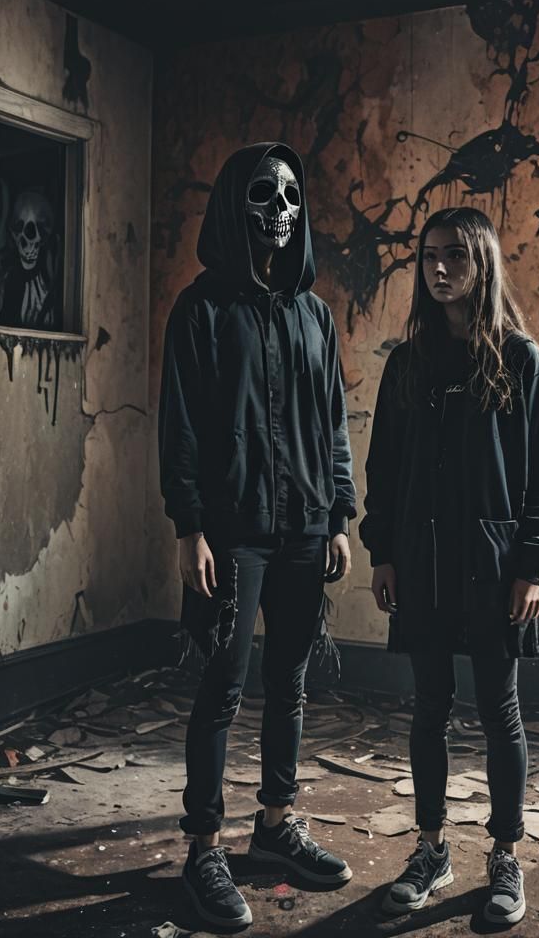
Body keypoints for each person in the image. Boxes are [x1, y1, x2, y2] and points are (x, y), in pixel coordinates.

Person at [159, 142, 357, 928]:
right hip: (234, 532)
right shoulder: (200, 309)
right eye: (262, 195)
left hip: (307, 527)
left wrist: (340, 514)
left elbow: (334, 423)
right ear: (232, 207)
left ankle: (274, 826)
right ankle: (203, 847)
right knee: (223, 688)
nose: (280, 210)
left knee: (292, 682)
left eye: (290, 197)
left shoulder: (315, 315)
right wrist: (189, 528)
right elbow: (180, 428)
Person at [359, 207, 539, 927]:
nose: (438, 268)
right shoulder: (407, 363)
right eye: (428, 256)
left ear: (481, 263)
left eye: (454, 256)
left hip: (495, 564)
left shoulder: (518, 359)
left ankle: (505, 857)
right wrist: (382, 550)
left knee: (499, 710)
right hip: (421, 562)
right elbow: (381, 465)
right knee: (429, 708)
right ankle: (432, 847)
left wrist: (531, 564)